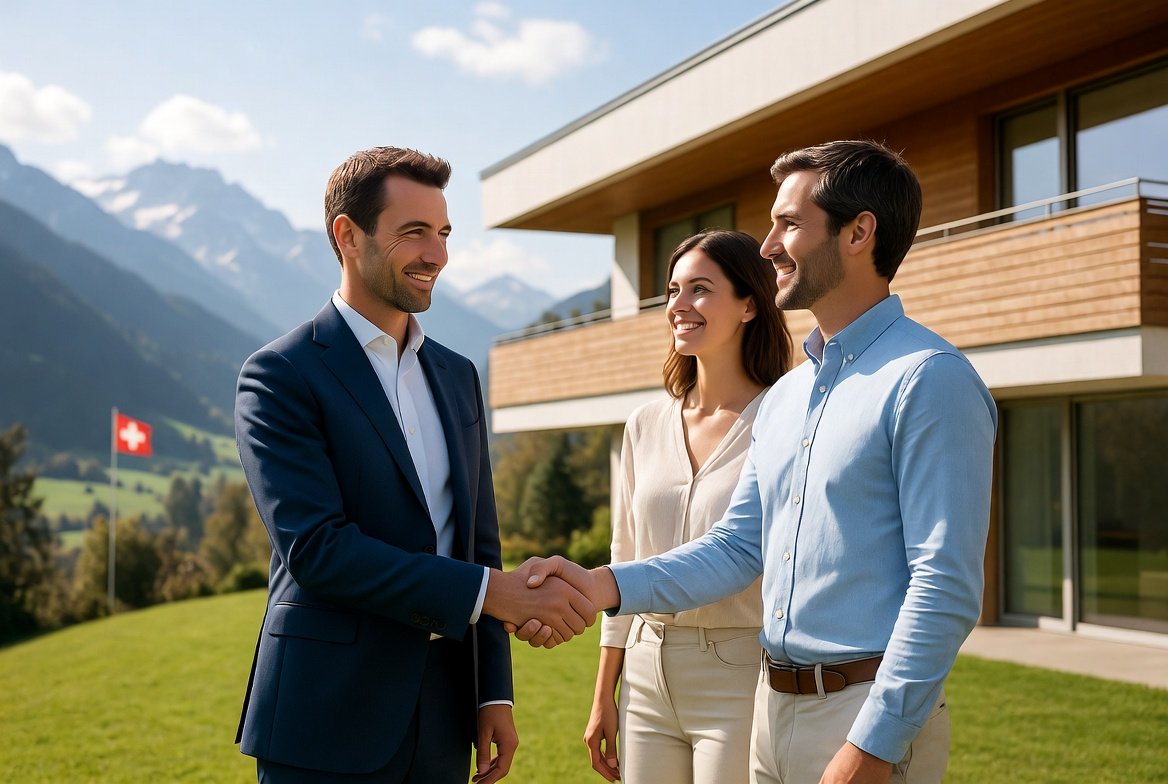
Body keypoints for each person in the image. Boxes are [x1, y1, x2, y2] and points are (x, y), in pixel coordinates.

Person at [516, 140, 997, 784]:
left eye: (790, 224)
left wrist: (875, 745)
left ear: (860, 233)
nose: (768, 245)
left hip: (861, 719)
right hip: (769, 713)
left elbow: (944, 586)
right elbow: (738, 549)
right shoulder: (791, 395)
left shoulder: (929, 380)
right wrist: (601, 585)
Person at [234, 146, 596, 784]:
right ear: (348, 236)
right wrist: (494, 595)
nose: (438, 254)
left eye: (444, 232)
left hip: (444, 715)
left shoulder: (457, 376)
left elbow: (478, 540)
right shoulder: (281, 375)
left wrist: (492, 694)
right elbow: (318, 549)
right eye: (413, 233)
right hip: (326, 715)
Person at [585, 230, 792, 783]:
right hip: (646, 673)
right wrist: (606, 690)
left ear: (750, 303)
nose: (678, 305)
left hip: (741, 672)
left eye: (700, 289)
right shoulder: (644, 424)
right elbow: (624, 552)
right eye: (674, 289)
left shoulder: (784, 419)